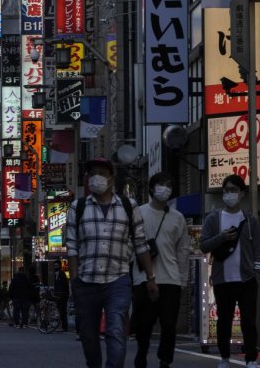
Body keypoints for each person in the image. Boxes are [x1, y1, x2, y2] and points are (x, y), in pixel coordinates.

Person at [64, 157, 158, 368]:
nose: (96, 177)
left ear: (111, 178)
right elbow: (72, 248)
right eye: (92, 173)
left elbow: (141, 244)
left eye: (101, 173)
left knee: (116, 329)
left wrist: (151, 278)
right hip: (87, 281)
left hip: (118, 280)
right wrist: (75, 282)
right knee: (88, 336)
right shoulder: (77, 208)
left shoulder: (128, 206)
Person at [201, 174, 260, 368]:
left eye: (234, 190)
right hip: (222, 279)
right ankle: (224, 357)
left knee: (249, 321)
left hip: (246, 279)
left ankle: (251, 358)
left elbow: (258, 250)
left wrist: (257, 274)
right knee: (224, 321)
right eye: (226, 190)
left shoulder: (250, 220)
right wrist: (221, 237)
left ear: (242, 194)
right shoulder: (213, 218)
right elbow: (203, 245)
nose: (229, 194)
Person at [131, 172, 190, 368]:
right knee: (144, 323)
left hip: (171, 278)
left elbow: (183, 251)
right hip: (142, 278)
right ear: (151, 188)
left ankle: (165, 360)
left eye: (168, 185)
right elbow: (131, 246)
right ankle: (142, 351)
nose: (164, 188)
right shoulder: (138, 212)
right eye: (161, 184)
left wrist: (183, 280)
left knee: (169, 325)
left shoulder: (178, 217)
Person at [53, 259, 71, 332]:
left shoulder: (62, 274)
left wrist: (63, 295)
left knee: (62, 311)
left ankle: (64, 327)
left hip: (62, 296)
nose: (55, 267)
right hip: (59, 295)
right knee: (61, 311)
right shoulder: (56, 274)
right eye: (54, 265)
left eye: (57, 265)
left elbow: (64, 286)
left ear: (60, 266)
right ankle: (62, 326)